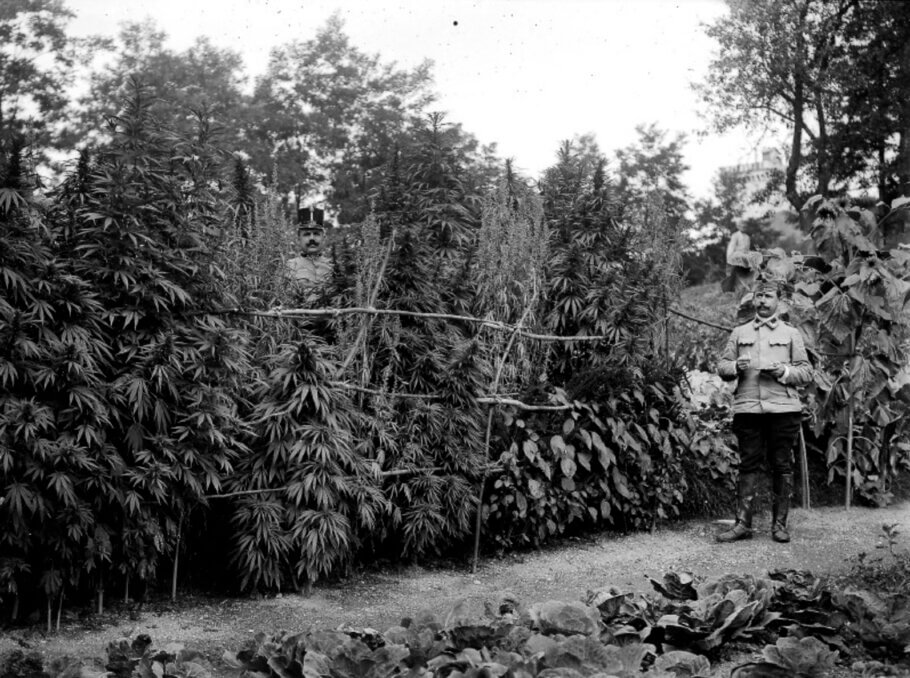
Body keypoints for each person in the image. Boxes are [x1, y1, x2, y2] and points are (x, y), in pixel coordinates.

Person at [715, 275, 813, 543]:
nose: (762, 301)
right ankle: (742, 525)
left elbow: (806, 372)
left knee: (782, 466)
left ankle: (779, 526)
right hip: (748, 408)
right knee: (748, 465)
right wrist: (736, 367)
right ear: (754, 299)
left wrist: (783, 371)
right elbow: (723, 366)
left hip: (784, 409)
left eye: (768, 296)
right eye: (759, 296)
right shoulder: (740, 332)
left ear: (779, 303)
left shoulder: (791, 334)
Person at [287, 206, 332, 295]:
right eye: (307, 234)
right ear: (298, 239)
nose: (312, 238)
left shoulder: (333, 266)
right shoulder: (289, 266)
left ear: (324, 238)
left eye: (316, 234)